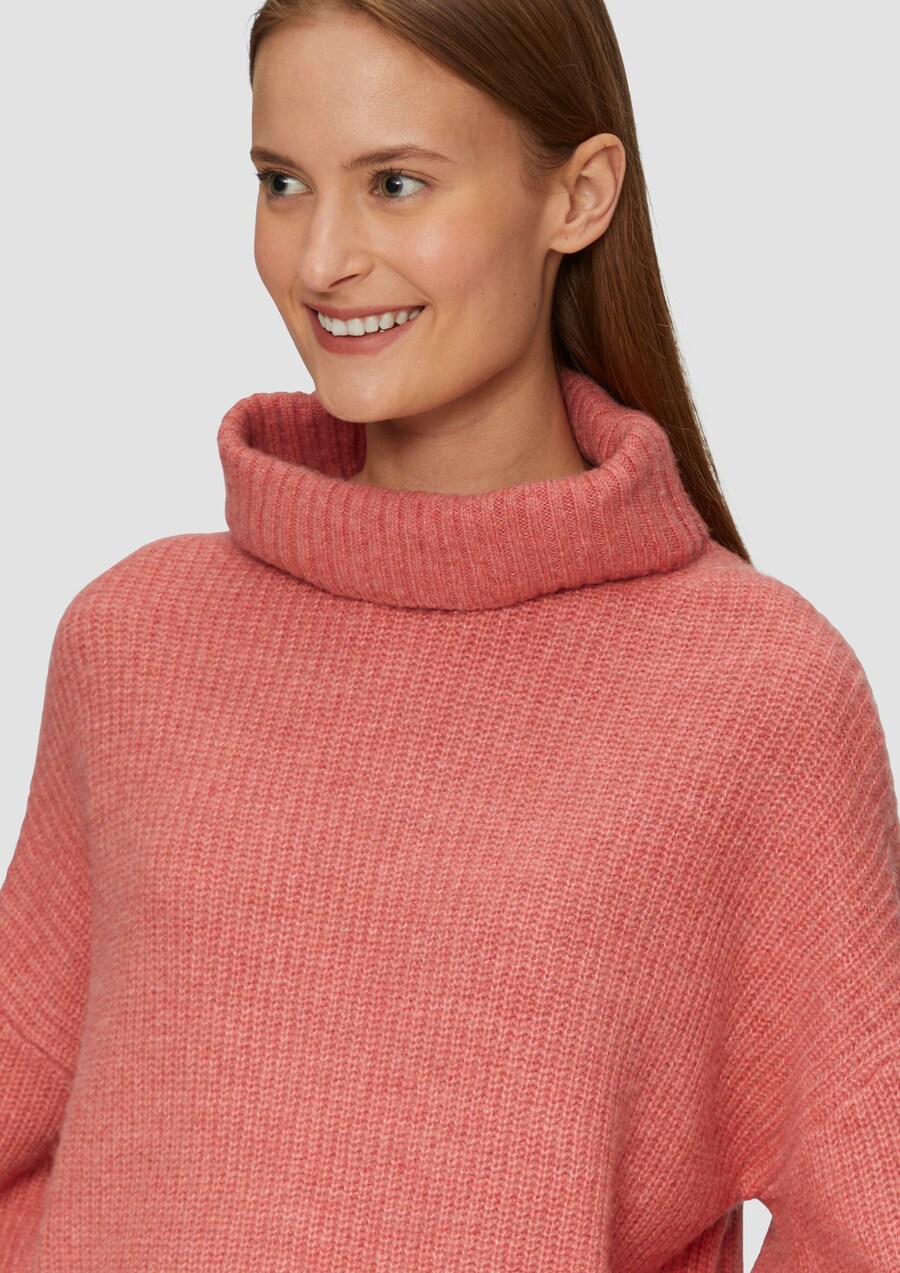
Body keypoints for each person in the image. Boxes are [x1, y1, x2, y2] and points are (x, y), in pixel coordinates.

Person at [2, 0, 897, 1268]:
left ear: (579, 195)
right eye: (282, 182)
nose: (321, 260)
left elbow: (865, 1217)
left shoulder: (756, 696)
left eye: (396, 183)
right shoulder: (135, 643)